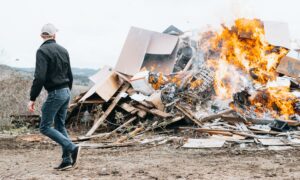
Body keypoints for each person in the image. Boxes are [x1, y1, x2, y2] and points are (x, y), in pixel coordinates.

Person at [28, 23, 81, 171]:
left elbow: (39, 77)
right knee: (59, 126)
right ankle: (67, 160)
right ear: (54, 35)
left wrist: (33, 98)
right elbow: (70, 75)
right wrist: (67, 93)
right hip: (65, 92)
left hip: (56, 93)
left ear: (41, 36)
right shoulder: (63, 50)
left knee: (44, 127)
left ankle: (71, 147)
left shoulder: (42, 51)